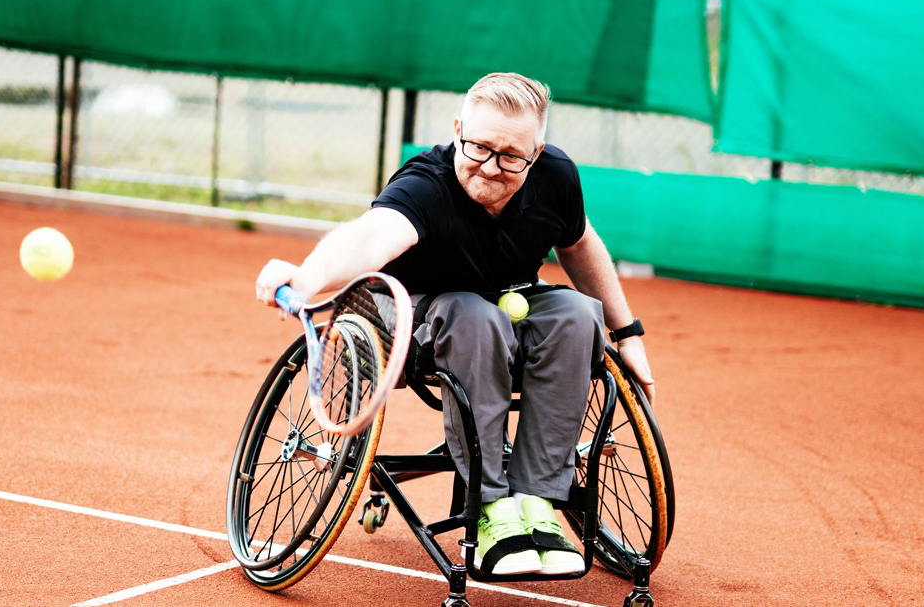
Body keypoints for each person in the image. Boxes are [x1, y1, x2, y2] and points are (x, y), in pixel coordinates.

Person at [255, 72, 654, 576]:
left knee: (578, 314)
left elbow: (579, 244)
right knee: (473, 315)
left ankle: (537, 503)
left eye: (511, 157)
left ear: (538, 151)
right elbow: (370, 238)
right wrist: (306, 279)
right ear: (458, 128)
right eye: (479, 147)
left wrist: (628, 335)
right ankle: (489, 509)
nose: (491, 167)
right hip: (412, 316)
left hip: (507, 305)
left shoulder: (556, 176)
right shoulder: (426, 185)